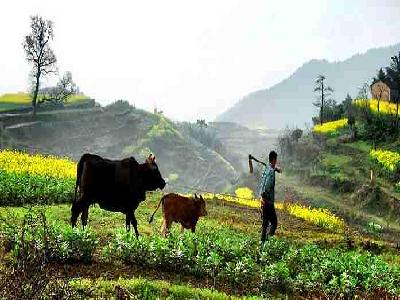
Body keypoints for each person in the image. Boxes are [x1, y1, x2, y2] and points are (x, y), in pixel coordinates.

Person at [258, 150, 281, 243]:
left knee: (265, 222)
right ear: (274, 159)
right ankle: (267, 240)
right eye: (276, 159)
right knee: (274, 223)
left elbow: (264, 179)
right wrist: (265, 197)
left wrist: (276, 169)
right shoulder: (271, 172)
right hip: (268, 201)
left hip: (263, 200)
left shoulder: (267, 168)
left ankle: (262, 242)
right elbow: (267, 185)